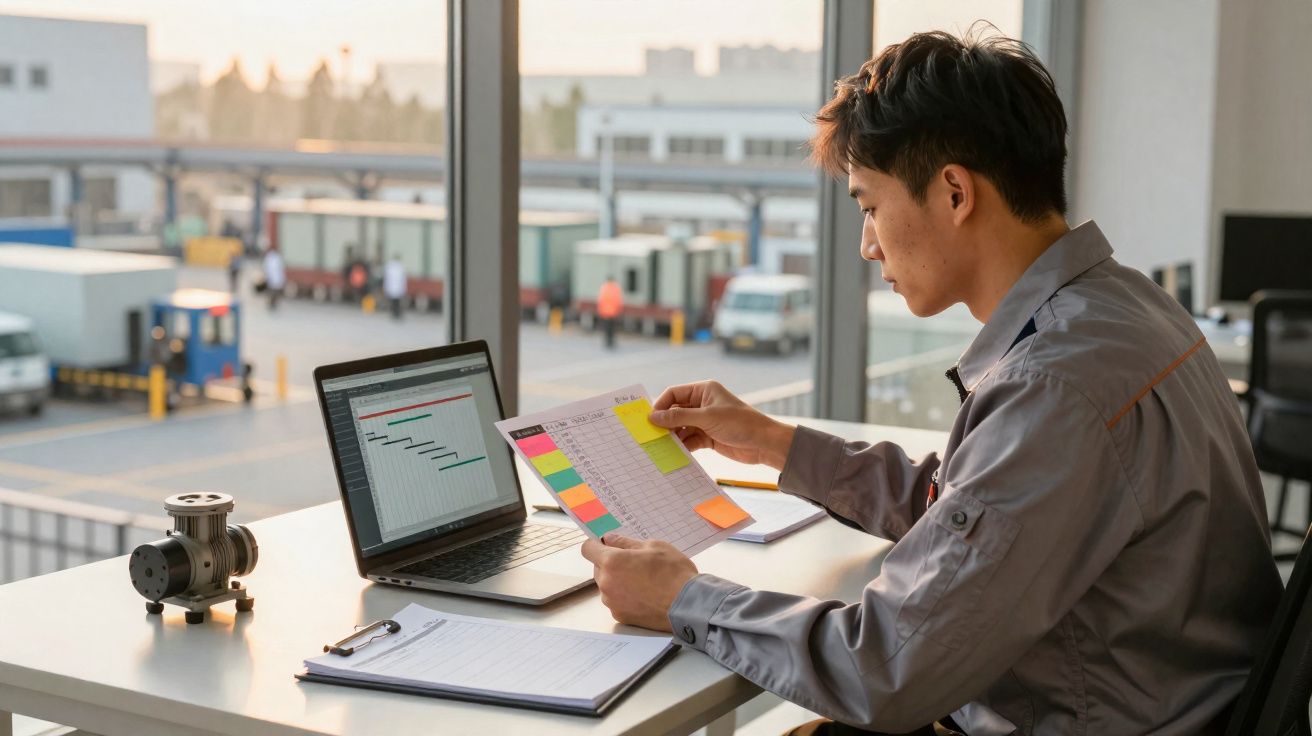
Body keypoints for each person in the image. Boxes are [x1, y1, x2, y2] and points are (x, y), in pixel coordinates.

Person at [581, 30, 1281, 735]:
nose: (867, 243)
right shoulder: (1124, 309)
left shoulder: (1054, 386)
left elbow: (884, 669)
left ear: (953, 192)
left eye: (869, 206)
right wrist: (773, 442)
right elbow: (970, 510)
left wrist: (684, 598)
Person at [597, 274, 623, 349]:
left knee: (607, 327)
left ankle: (607, 341)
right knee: (613, 328)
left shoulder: (604, 288)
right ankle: (611, 341)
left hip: (605, 311)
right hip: (614, 312)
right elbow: (619, 300)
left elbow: (601, 300)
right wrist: (619, 310)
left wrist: (600, 310)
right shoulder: (616, 288)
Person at [382, 253, 407, 320]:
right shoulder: (400, 266)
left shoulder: (390, 266)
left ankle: (395, 313)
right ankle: (396, 313)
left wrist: (386, 287)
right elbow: (403, 279)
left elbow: (387, 278)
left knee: (394, 301)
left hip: (393, 287)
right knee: (397, 301)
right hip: (397, 287)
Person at [261, 245, 285, 311]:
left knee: (276, 292)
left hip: (276, 278)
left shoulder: (277, 257)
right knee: (271, 292)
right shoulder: (269, 258)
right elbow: (266, 268)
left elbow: (280, 268)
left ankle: (274, 304)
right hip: (271, 278)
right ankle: (271, 304)